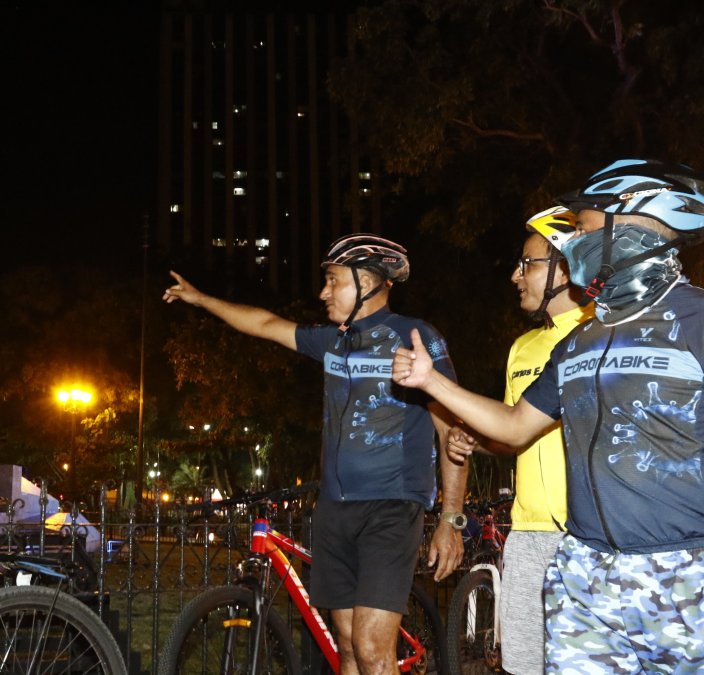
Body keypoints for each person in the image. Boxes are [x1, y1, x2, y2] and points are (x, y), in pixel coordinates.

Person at [394, 159, 704, 672]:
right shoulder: (579, 341)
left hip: (686, 573)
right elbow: (516, 425)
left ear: (627, 225)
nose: (571, 243)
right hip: (585, 575)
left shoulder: (695, 319)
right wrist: (432, 382)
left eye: (581, 228)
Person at [164, 234, 466, 675]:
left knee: (371, 647)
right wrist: (200, 299)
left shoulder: (414, 337)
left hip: (391, 505)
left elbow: (451, 430)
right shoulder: (332, 342)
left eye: (333, 281)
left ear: (368, 282)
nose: (323, 292)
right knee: (345, 647)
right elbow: (265, 324)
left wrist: (450, 520)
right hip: (334, 510)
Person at [446, 206, 592, 675]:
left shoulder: (603, 332)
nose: (515, 275)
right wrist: (475, 440)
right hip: (527, 535)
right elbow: (516, 434)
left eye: (527, 263)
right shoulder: (521, 349)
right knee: (524, 665)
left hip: (587, 538)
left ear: (565, 266)